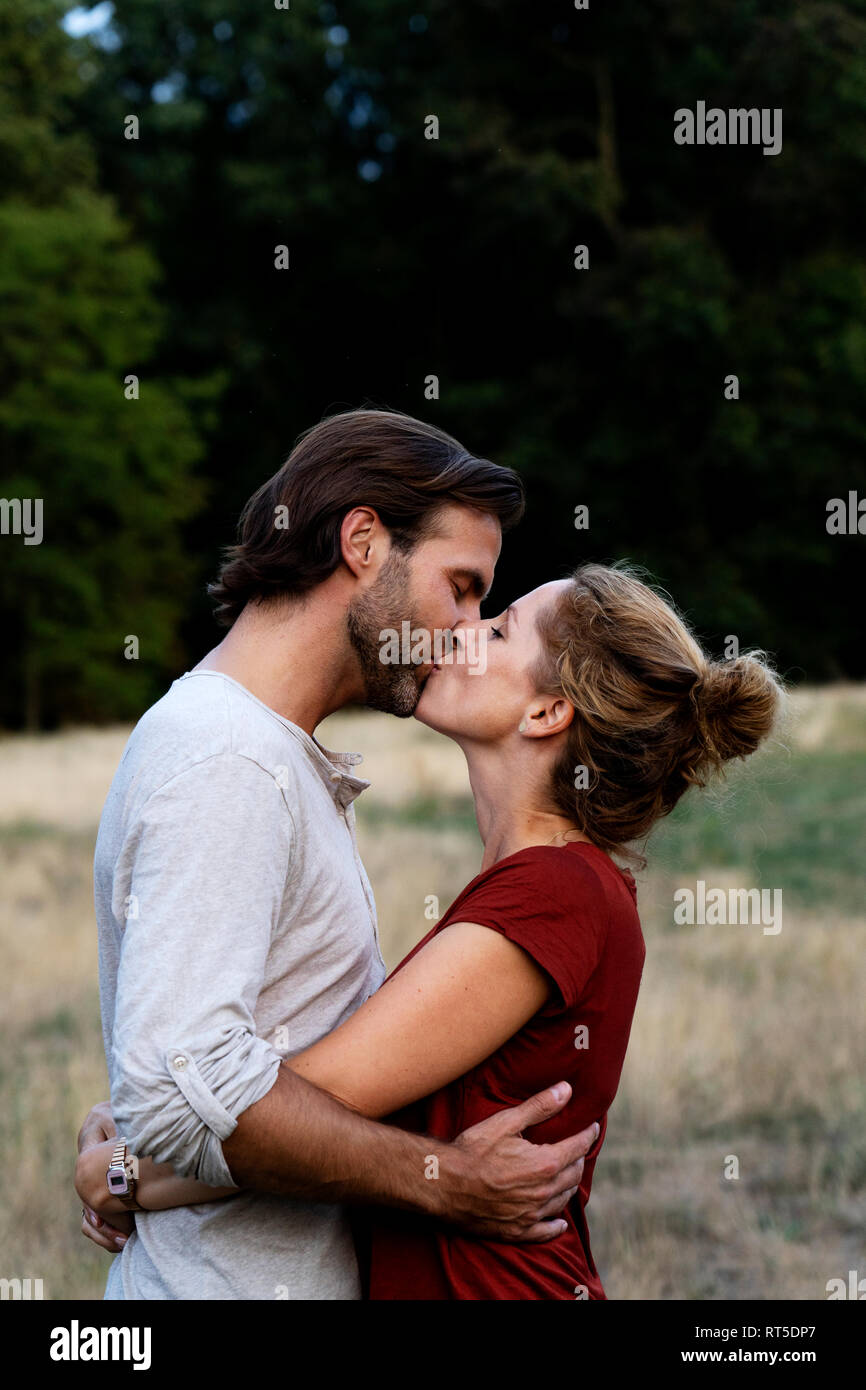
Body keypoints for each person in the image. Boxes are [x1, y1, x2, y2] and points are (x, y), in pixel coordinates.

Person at [77, 560, 782, 1299]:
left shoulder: (555, 892)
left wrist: (126, 1171)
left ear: (546, 712)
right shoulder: (541, 886)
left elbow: (298, 1111)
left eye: (500, 629)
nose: (463, 632)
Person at [74, 406, 599, 1301]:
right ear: (363, 541)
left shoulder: (264, 749)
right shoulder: (231, 759)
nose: (465, 629)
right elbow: (177, 1096)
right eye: (461, 586)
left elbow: (193, 1073)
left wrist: (120, 1157)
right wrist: (442, 1180)